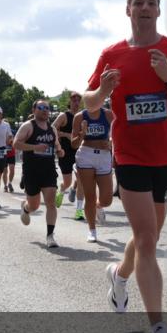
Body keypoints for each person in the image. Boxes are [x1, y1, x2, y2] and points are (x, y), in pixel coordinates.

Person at [86, 0, 167, 333]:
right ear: (128, 9)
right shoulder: (111, 55)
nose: (145, 8)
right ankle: (159, 330)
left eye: (152, 2)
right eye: (138, 2)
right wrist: (102, 90)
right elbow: (87, 103)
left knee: (147, 235)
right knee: (148, 239)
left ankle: (119, 275)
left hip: (165, 159)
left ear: (158, 9)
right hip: (131, 157)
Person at [14, 100, 65, 248]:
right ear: (34, 109)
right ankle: (26, 208)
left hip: (48, 170)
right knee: (35, 206)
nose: (45, 110)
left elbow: (57, 146)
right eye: (41, 108)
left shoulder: (52, 129)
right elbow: (16, 144)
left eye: (47, 108)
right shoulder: (28, 126)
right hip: (32, 171)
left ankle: (50, 236)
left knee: (51, 203)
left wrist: (60, 151)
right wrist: (35, 147)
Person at [72, 98, 114, 242]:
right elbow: (73, 144)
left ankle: (99, 206)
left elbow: (117, 134)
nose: (93, 103)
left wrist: (110, 143)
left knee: (107, 199)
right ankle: (92, 230)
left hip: (103, 156)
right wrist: (82, 133)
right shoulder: (79, 117)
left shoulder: (108, 115)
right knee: (89, 196)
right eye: (89, 100)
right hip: (86, 155)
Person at [53, 92, 82, 208]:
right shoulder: (64, 116)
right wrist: (65, 134)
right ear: (69, 102)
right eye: (74, 100)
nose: (76, 102)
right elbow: (52, 128)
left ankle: (75, 194)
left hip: (79, 151)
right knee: (67, 181)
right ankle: (62, 191)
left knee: (81, 177)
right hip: (65, 152)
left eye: (78, 100)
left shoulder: (81, 116)